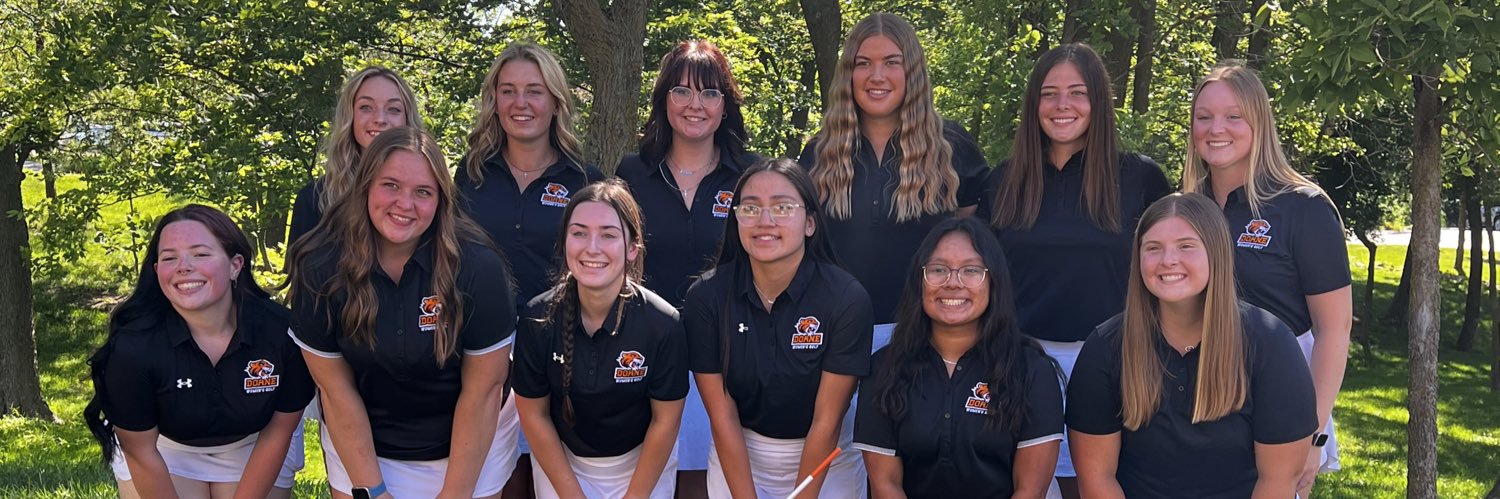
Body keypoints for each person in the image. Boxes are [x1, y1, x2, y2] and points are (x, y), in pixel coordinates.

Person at [975, 43, 1172, 497]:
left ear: (1099, 102)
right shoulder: (1003, 181)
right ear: (1033, 105)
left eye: (1077, 92)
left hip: (1116, 361)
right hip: (1020, 363)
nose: (1062, 105)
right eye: (1049, 93)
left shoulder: (1139, 178)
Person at [286, 126, 519, 498]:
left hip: (471, 443)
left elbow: (484, 391)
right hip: (363, 443)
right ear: (365, 186)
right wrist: (374, 491)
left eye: (423, 192)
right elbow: (335, 390)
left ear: (442, 199)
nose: (404, 204)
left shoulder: (478, 266)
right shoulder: (320, 266)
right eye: (390, 185)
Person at [1066, 193, 1318, 498]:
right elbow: (1097, 478)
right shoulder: (1106, 348)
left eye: (1186, 246)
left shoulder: (1271, 343)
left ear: (1217, 252)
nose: (1168, 260)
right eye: (1153, 248)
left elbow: (1278, 481)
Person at [1181, 61, 1353, 498]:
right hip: (1190, 399)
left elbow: (1334, 329)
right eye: (1204, 117)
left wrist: (1312, 434)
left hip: (1279, 403)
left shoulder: (1303, 208)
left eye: (1234, 116)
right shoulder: (1184, 209)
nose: (1216, 128)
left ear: (1259, 122)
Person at [84, 204, 314, 499]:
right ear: (157, 272)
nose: (183, 266)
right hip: (164, 449)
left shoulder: (282, 332)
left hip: (256, 441)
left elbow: (279, 431)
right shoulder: (133, 348)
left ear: (235, 265)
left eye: (201, 254)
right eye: (169, 258)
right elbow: (140, 450)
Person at [614, 39, 760, 496]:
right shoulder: (633, 172)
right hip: (648, 352)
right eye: (681, 91)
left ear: (725, 105)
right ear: (663, 99)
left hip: (731, 355)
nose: (695, 105)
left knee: (708, 480)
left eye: (710, 93)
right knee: (652, 477)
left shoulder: (750, 175)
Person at [798, 12, 989, 352]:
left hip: (926, 341)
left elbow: (977, 249)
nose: (877, 75)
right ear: (848, 73)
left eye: (891, 62)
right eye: (864, 63)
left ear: (911, 71)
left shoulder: (953, 148)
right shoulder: (819, 153)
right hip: (832, 337)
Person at [684, 158, 873, 498]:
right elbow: (722, 417)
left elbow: (826, 422)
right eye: (750, 208)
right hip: (741, 453)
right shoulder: (706, 298)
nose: (765, 221)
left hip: (826, 458)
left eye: (783, 207)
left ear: (810, 223)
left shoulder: (846, 298)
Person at [855, 217, 1064, 498]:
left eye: (971, 271)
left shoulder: (1032, 371)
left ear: (994, 281)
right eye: (939, 270)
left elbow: (1030, 491)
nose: (953, 283)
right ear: (920, 280)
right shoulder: (884, 369)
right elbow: (885, 485)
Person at [514, 179, 689, 498]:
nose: (591, 247)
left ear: (633, 249)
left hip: (642, 469)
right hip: (562, 468)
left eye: (608, 235)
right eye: (579, 233)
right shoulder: (537, 318)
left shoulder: (664, 325)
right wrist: (572, 494)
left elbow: (665, 423)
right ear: (564, 241)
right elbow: (533, 414)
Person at [456, 42, 607, 312]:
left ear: (556, 103)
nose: (520, 103)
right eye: (508, 91)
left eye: (534, 91)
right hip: (477, 333)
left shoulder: (585, 181)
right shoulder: (472, 171)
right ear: (495, 100)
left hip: (560, 336)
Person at [288, 66, 423, 246]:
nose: (380, 119)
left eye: (394, 109)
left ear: (408, 119)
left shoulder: (429, 199)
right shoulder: (315, 200)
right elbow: (299, 272)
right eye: (366, 107)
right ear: (349, 118)